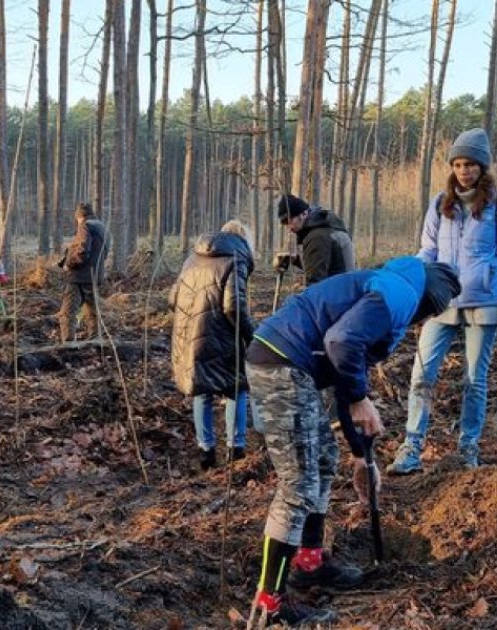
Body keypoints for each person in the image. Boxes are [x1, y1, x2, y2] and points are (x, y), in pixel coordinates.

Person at [245, 257, 461, 625]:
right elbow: (340, 342)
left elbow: (346, 373)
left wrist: (361, 456)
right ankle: (269, 605)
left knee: (324, 458)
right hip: (281, 364)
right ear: (431, 302)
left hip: (287, 362)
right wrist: (361, 399)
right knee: (299, 482)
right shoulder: (399, 293)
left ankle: (309, 563)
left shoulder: (390, 287)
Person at [386, 127, 497, 475]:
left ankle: (468, 449)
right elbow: (428, 250)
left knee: (474, 380)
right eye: (458, 164)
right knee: (421, 375)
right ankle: (411, 447)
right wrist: (408, 281)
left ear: (482, 167)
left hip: (484, 303)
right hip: (442, 301)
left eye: (470, 164)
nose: (464, 170)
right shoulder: (440, 204)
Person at [169, 220, 255, 471]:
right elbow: (233, 306)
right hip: (223, 338)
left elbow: (172, 299)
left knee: (202, 390)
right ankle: (235, 451)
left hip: (191, 336)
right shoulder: (235, 260)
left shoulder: (192, 259)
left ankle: (205, 452)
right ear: (244, 241)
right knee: (236, 388)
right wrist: (252, 335)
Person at [272, 193, 356, 286]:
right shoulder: (327, 228)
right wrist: (296, 260)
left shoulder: (317, 237)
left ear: (303, 214)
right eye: (285, 224)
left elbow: (315, 283)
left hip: (339, 292)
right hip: (346, 289)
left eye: (289, 221)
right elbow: (327, 266)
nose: (289, 227)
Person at [57, 203, 109, 343]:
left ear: (80, 216)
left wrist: (68, 264)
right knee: (92, 311)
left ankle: (68, 343)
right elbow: (103, 254)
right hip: (95, 276)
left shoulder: (86, 226)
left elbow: (82, 251)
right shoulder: (102, 228)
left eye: (77, 219)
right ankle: (96, 340)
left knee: (68, 311)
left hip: (78, 277)